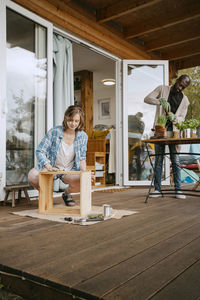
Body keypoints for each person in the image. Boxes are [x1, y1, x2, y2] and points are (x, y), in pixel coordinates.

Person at [28, 105, 88, 206]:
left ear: (80, 121)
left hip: (69, 170)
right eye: (70, 120)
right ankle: (45, 194)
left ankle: (67, 194)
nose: (73, 124)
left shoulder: (83, 136)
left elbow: (82, 158)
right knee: (33, 176)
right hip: (52, 167)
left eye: (76, 121)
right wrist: (48, 166)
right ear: (66, 118)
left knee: (84, 181)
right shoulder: (55, 131)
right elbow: (40, 151)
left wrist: (85, 174)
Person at [144, 74, 191, 199]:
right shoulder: (162, 89)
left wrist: (175, 118)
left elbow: (182, 118)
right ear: (176, 81)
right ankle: (157, 189)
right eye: (180, 84)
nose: (180, 88)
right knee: (158, 160)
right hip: (160, 131)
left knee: (175, 161)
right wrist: (160, 101)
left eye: (183, 87)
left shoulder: (185, 100)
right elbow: (147, 99)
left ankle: (178, 190)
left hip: (173, 133)